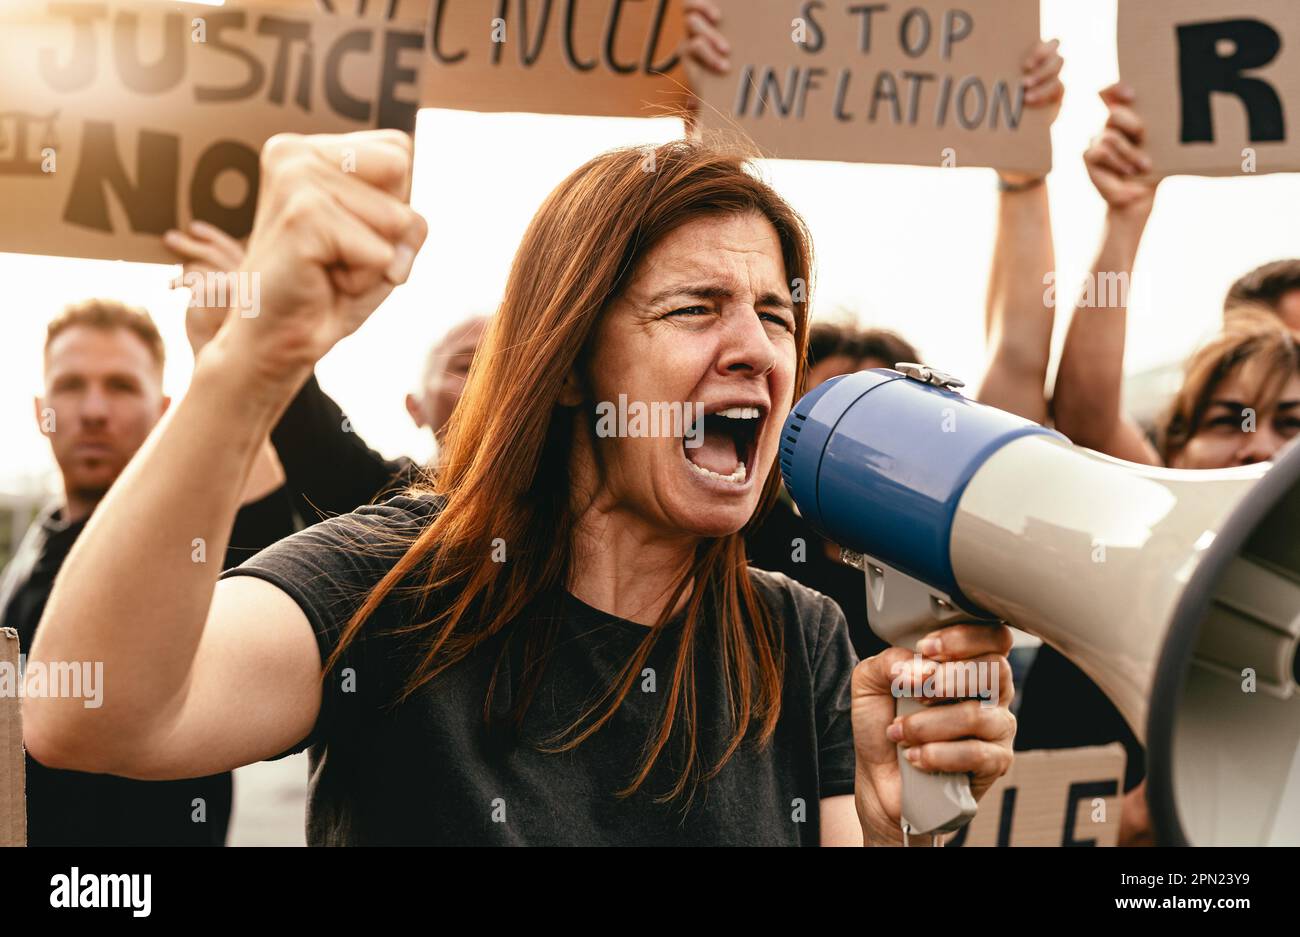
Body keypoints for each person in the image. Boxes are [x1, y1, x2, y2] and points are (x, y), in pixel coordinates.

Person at [25, 130, 1015, 845]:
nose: (755, 348)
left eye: (773, 312)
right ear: (574, 361)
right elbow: (90, 711)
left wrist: (894, 835)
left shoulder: (798, 634)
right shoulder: (398, 583)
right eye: (695, 307)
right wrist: (250, 361)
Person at [1020, 85, 1300, 845]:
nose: (1258, 448)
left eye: (1292, 425)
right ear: (1164, 452)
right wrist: (1124, 219)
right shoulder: (1077, 659)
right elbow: (1083, 410)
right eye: (1224, 421)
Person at [0, 299, 295, 845]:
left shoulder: (188, 547)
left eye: (119, 386)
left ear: (163, 409)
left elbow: (272, 542)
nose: (92, 409)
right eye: (70, 385)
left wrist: (223, 358)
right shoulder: (32, 549)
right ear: (40, 408)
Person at [165, 222, 488, 521]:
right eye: (466, 365)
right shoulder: (379, 509)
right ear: (415, 408)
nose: (489, 379)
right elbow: (308, 435)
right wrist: (243, 333)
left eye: (506, 363)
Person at [746, 322, 920, 659]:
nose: (850, 436)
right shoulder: (744, 536)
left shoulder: (925, 565)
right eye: (826, 410)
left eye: (876, 414)